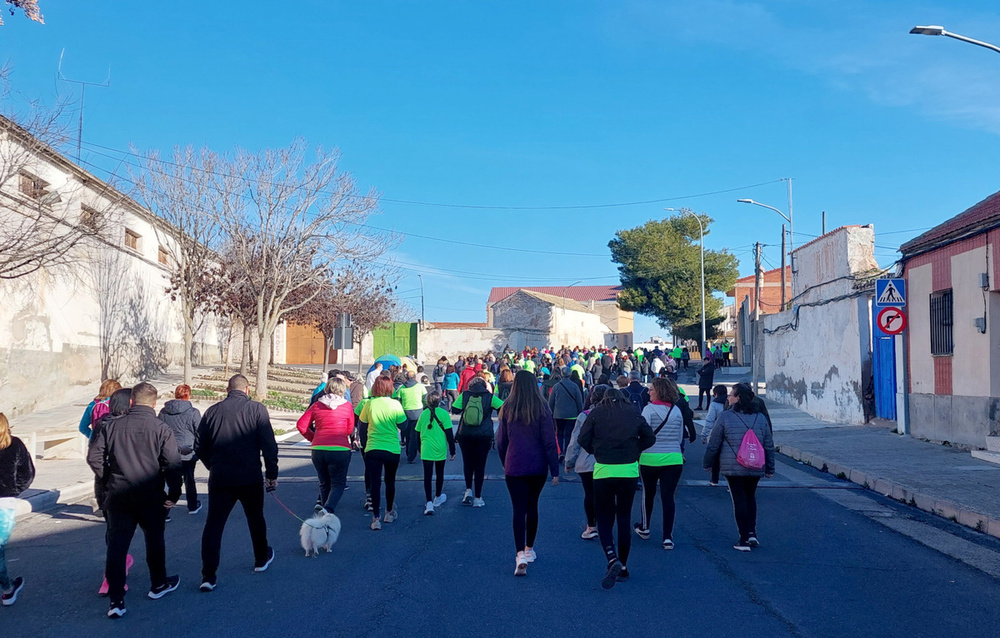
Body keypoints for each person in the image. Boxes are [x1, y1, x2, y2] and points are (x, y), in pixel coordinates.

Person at [86, 383, 182, 618]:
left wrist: (107, 478)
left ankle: (116, 599)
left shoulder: (113, 426)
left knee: (117, 547)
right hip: (151, 495)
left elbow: (94, 456)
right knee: (155, 541)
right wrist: (174, 494)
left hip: (119, 494)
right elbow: (172, 464)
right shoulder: (161, 428)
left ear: (131, 402)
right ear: (154, 403)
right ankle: (158, 584)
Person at [196, 374, 278, 592]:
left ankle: (208, 575)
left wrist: (211, 465)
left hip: (221, 476)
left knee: (214, 525)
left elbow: (200, 446)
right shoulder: (257, 410)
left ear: (227, 389)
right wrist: (272, 473)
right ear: (247, 390)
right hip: (249, 475)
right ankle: (260, 558)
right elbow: (269, 445)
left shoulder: (212, 412)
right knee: (255, 518)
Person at [579, 389, 655, 589]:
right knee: (623, 516)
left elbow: (582, 439)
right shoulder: (633, 412)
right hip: (628, 470)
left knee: (604, 518)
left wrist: (597, 451)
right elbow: (650, 437)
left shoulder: (597, 413)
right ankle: (624, 567)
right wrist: (634, 450)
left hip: (603, 469)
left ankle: (612, 558)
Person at [496, 370, 560, 577]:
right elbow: (550, 441)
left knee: (518, 509)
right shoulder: (542, 408)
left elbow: (501, 440)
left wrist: (505, 460)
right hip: (537, 465)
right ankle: (530, 548)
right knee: (533, 506)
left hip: (514, 464)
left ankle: (519, 553)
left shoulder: (507, 408)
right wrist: (554, 469)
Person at [703, 383, 776, 552]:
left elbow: (714, 444)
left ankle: (743, 539)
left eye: (731, 395)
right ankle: (752, 532)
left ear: (738, 399)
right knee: (750, 497)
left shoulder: (725, 417)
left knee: (739, 500)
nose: (728, 397)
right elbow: (768, 445)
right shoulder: (760, 418)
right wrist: (770, 467)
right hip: (755, 464)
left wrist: (708, 462)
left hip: (733, 465)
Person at [634, 378, 688, 550]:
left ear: (658, 391)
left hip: (650, 457)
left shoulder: (648, 410)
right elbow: (680, 437)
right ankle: (667, 537)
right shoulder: (677, 411)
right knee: (668, 497)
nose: (648, 392)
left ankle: (645, 527)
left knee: (647, 494)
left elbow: (643, 434)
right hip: (673, 458)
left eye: (651, 389)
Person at [92, 388, 133, 597]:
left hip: (105, 486)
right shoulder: (116, 425)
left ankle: (117, 569)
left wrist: (104, 475)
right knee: (116, 536)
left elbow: (94, 457)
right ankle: (111, 578)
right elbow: (95, 457)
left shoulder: (102, 424)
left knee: (114, 533)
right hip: (118, 486)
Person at [297, 377, 354, 515]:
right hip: (340, 448)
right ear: (342, 390)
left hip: (319, 448)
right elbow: (349, 429)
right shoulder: (347, 406)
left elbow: (301, 425)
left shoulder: (316, 405)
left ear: (327, 388)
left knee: (324, 482)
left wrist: (313, 438)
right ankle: (328, 509)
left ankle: (324, 508)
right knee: (338, 483)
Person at [359, 376, 407, 530]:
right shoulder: (395, 404)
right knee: (390, 481)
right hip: (392, 448)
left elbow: (362, 427)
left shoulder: (369, 404)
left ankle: (375, 518)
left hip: (373, 447)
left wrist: (365, 445)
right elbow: (404, 425)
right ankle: (389, 512)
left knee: (375, 483)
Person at [564, 384, 609, 541]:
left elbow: (575, 440)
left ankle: (591, 526)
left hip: (587, 460)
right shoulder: (613, 414)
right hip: (609, 460)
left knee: (589, 494)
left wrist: (569, 461)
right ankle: (606, 526)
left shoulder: (585, 415)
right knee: (606, 496)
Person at [452, 377, 503, 507]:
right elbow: (503, 407)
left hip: (466, 434)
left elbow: (455, 410)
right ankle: (478, 497)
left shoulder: (465, 395)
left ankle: (468, 490)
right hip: (483, 434)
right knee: (480, 466)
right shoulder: (490, 397)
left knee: (467, 463)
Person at [0, 413, 34, 607]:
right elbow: (28, 473)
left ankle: (8, 589)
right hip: (5, 503)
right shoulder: (15, 445)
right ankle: (7, 590)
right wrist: (14, 489)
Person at [158, 384, 203, 517]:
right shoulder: (193, 413)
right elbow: (199, 432)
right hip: (187, 452)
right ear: (188, 395)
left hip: (169, 452)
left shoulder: (163, 412)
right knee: (189, 480)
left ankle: (165, 510)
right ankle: (192, 505)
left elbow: (159, 431)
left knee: (170, 482)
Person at [415, 391, 456, 515]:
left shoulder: (423, 414)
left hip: (426, 447)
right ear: (439, 402)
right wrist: (452, 450)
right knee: (439, 473)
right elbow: (449, 434)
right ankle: (437, 496)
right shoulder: (444, 414)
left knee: (427, 475)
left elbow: (417, 433)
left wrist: (419, 448)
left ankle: (428, 502)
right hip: (440, 447)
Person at [548, 367, 584, 462]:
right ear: (570, 374)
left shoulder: (556, 386)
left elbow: (551, 402)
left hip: (558, 414)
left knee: (559, 433)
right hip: (572, 414)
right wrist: (580, 412)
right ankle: (567, 452)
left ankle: (560, 453)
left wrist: (550, 413)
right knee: (569, 434)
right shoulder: (574, 386)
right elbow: (579, 401)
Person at [394, 371, 428, 464]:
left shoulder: (402, 388)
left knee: (407, 434)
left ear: (406, 377)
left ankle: (409, 452)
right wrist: (423, 407)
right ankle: (413, 455)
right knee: (416, 435)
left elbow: (398, 400)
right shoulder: (420, 387)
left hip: (405, 413)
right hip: (418, 412)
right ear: (415, 377)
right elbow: (425, 399)